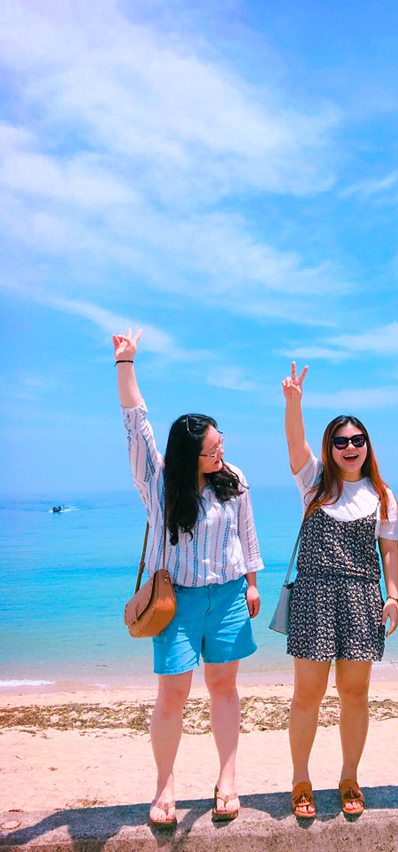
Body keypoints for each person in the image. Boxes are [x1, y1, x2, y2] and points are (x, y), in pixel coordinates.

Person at [114, 329, 263, 826]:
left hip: (228, 596)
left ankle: (228, 780)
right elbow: (137, 425)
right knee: (172, 695)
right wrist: (126, 363)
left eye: (221, 443)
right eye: (211, 449)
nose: (221, 453)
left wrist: (252, 582)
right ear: (187, 454)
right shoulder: (158, 483)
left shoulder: (234, 479)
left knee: (224, 687)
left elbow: (246, 533)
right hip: (175, 602)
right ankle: (164, 785)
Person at [282, 362, 398, 818]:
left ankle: (350, 776)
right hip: (314, 596)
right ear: (329, 448)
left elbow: (390, 551)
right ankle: (301, 779)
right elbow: (296, 442)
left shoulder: (383, 495)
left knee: (355, 694)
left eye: (358, 440)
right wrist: (294, 403)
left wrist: (393, 597)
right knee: (306, 695)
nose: (350, 447)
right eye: (341, 441)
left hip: (361, 598)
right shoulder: (313, 482)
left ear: (367, 445)